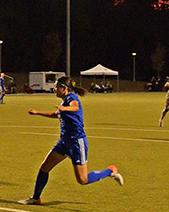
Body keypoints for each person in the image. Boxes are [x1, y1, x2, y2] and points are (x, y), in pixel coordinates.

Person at [18, 76, 123, 205]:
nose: (54, 89)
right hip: (63, 142)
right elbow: (56, 115)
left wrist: (64, 109)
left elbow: (75, 107)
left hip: (76, 143)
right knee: (44, 168)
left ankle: (110, 171)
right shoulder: (63, 101)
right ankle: (36, 198)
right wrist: (37, 112)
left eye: (56, 86)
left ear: (64, 88)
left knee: (82, 180)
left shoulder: (72, 98)